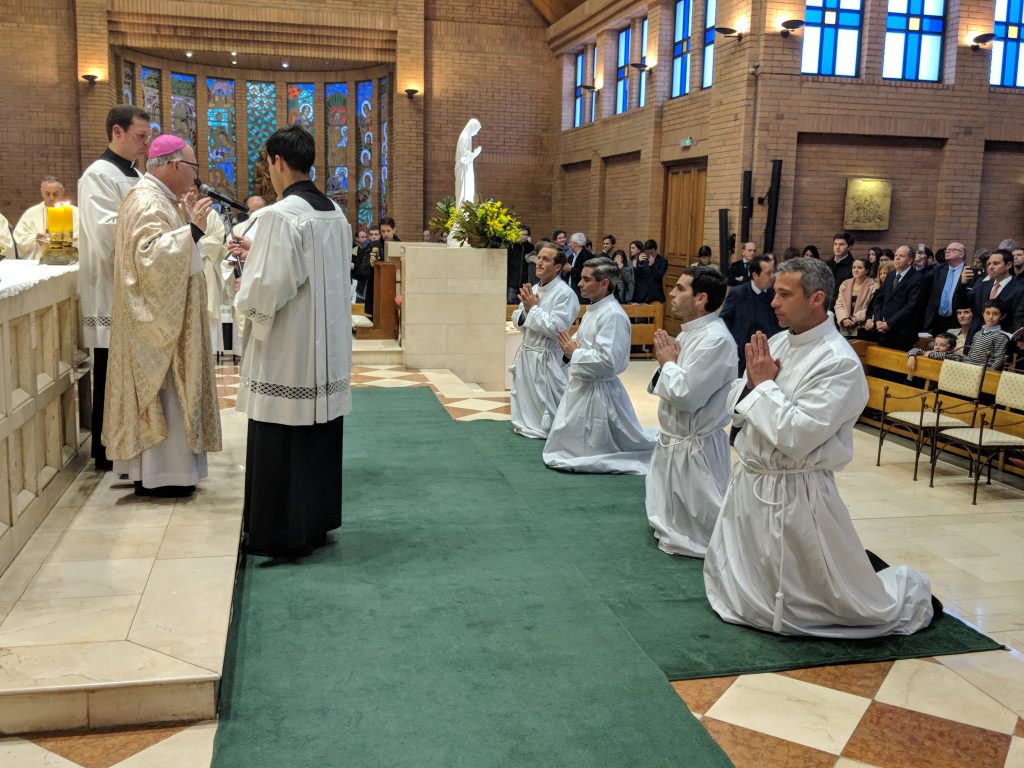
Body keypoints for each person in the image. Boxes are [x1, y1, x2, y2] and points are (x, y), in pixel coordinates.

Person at [704, 257, 936, 637]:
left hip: (795, 489)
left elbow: (796, 436)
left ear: (817, 298)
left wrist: (763, 387)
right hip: (754, 478)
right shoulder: (778, 341)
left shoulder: (839, 362)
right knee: (750, 569)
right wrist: (751, 386)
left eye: (783, 294)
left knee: (807, 593)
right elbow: (736, 400)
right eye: (774, 293)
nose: (773, 302)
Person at [235, 125, 353, 559]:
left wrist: (243, 293)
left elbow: (270, 286)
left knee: (280, 439)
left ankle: (281, 534)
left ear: (277, 161)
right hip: (327, 351)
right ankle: (315, 524)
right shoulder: (334, 213)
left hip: (290, 350)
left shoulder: (280, 215)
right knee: (317, 438)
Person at [103, 134, 222, 497]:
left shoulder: (158, 198)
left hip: (169, 316)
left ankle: (167, 471)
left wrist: (189, 231)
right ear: (175, 166)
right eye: (193, 167)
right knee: (168, 395)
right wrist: (193, 232)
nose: (195, 175)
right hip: (158, 328)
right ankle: (164, 474)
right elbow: (148, 259)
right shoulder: (148, 201)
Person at [78, 104, 151, 471]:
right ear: (117, 132)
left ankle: (130, 445)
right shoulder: (98, 175)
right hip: (111, 287)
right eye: (140, 135)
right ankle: (106, 452)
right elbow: (106, 229)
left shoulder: (136, 175)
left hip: (135, 284)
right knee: (109, 372)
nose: (146, 143)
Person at [645, 266, 736, 557]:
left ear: (701, 299)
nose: (672, 293)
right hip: (678, 437)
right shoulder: (693, 333)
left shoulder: (716, 340)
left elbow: (687, 396)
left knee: (706, 523)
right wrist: (669, 364)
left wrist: (667, 364)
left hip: (696, 443)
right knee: (674, 513)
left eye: (681, 288)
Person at [543, 257, 655, 473]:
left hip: (600, 390)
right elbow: (582, 340)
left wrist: (574, 352)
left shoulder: (613, 315)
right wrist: (572, 348)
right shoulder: (595, 309)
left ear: (604, 284)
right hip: (585, 385)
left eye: (586, 279)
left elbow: (609, 361)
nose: (579, 283)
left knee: (594, 447)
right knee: (568, 443)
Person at [510, 242, 580, 438]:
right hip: (528, 352)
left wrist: (532, 308)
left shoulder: (565, 294)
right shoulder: (534, 288)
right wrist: (525, 310)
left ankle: (549, 430)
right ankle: (526, 424)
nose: (539, 262)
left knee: (547, 401)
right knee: (526, 397)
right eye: (539, 258)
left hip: (547, 356)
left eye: (545, 259)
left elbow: (555, 328)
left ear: (557, 267)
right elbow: (517, 319)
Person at [719, 255, 779, 374]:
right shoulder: (738, 293)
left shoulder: (774, 294)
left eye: (773, 272)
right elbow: (724, 319)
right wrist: (731, 342)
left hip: (768, 351)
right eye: (768, 273)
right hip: (743, 352)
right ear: (755, 275)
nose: (772, 277)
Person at [13, 177, 78, 260]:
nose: (51, 198)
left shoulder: (75, 213)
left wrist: (66, 240)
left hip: (68, 261)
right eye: (47, 194)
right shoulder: (31, 213)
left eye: (55, 194)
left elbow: (82, 238)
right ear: (41, 193)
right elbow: (19, 236)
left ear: (62, 192)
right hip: (38, 262)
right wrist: (34, 238)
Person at [874, 245, 925, 350]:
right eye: (896, 255)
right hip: (882, 331)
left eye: (901, 256)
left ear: (910, 260)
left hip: (902, 333)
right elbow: (879, 298)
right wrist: (878, 320)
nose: (896, 258)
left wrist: (889, 323)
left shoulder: (918, 278)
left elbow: (911, 307)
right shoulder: (891, 275)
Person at [923, 241, 968, 336]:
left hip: (957, 321)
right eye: (947, 250)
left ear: (962, 254)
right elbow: (922, 281)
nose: (948, 251)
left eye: (952, 250)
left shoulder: (968, 272)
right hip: (937, 320)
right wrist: (920, 266)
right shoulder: (939, 269)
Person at [834, 257, 878, 338]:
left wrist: (855, 319)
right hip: (845, 326)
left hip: (862, 327)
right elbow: (839, 304)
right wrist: (844, 319)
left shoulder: (873, 286)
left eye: (860, 268)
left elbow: (871, 307)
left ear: (867, 270)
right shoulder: (845, 284)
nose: (856, 270)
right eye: (854, 267)